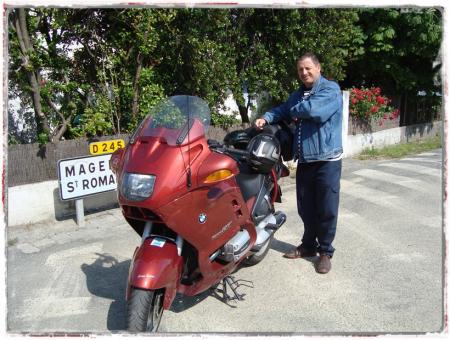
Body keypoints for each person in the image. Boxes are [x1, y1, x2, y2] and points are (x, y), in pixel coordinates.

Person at [255, 52, 343, 274]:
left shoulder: (330, 89)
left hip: (327, 160)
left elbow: (315, 111)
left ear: (318, 68)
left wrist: (294, 111)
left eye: (307, 68)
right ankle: (308, 245)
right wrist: (266, 117)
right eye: (300, 70)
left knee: (326, 207)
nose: (304, 73)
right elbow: (282, 110)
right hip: (305, 160)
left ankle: (325, 252)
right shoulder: (298, 94)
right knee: (306, 207)